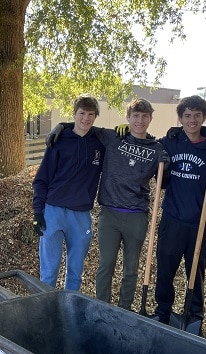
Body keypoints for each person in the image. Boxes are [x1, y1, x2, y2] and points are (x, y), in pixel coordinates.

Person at [46, 98, 169, 308]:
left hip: (137, 215)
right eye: (135, 116)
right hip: (109, 214)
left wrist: (165, 167)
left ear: (150, 119)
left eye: (144, 116)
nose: (140, 121)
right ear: (128, 118)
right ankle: (102, 307)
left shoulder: (157, 150)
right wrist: (60, 126)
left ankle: (125, 309)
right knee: (106, 265)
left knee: (131, 268)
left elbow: (163, 184)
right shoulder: (113, 137)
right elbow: (84, 124)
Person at [153, 95, 206, 332]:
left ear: (203, 118)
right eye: (187, 115)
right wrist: (124, 133)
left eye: (197, 115)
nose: (192, 120)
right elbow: (157, 169)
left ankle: (194, 316)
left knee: (196, 271)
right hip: (173, 218)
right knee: (165, 268)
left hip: (199, 221)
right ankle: (163, 310)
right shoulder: (170, 142)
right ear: (180, 118)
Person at [32, 94, 105, 291]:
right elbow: (42, 178)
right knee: (49, 270)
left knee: (76, 271)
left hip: (81, 214)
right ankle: (46, 312)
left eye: (91, 114)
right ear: (74, 114)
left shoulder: (100, 143)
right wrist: (38, 212)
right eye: (81, 113)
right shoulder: (59, 140)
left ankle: (69, 312)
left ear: (96, 116)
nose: (85, 119)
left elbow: (128, 139)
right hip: (53, 211)